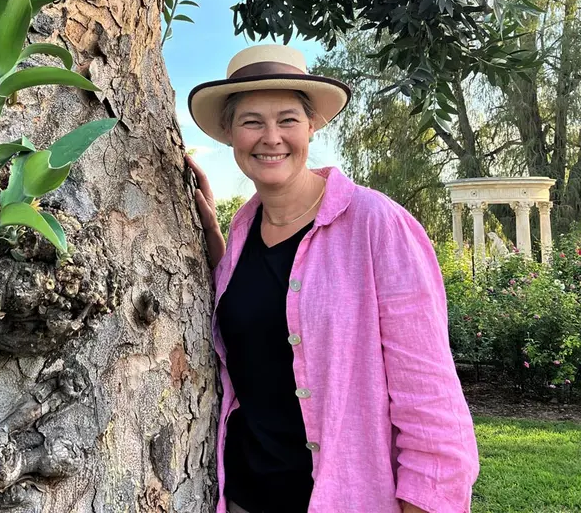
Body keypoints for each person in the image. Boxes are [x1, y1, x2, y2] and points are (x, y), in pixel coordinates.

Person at [185, 44, 479, 513]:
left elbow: (430, 399)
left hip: (344, 498)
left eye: (287, 120)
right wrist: (209, 234)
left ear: (312, 126)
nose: (271, 137)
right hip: (244, 496)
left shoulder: (376, 223)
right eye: (251, 121)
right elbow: (255, 310)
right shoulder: (242, 232)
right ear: (229, 133)